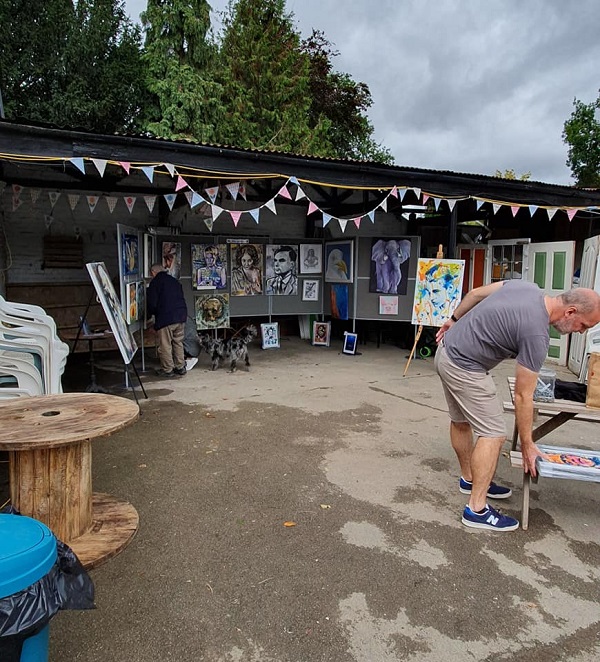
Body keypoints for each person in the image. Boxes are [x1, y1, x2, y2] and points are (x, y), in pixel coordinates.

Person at [435, 281, 600, 532]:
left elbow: (475, 293)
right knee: (493, 434)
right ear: (571, 312)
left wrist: (454, 320)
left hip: (447, 351)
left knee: (461, 421)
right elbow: (523, 396)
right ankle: (476, 509)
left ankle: (470, 479)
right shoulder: (536, 334)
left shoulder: (526, 287)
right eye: (583, 325)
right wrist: (527, 444)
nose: (580, 332)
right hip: (465, 368)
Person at [147, 263, 188, 377]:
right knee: (178, 342)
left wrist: (150, 316)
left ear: (153, 272)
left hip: (166, 318)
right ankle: (180, 367)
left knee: (165, 345)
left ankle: (167, 370)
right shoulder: (174, 281)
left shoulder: (155, 283)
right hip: (181, 316)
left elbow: (152, 303)